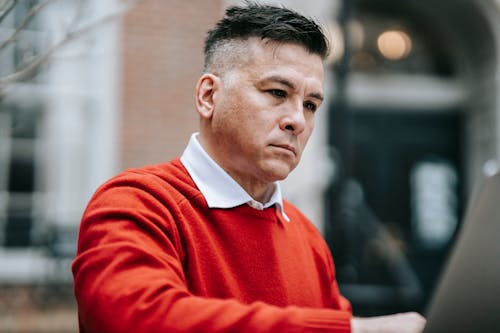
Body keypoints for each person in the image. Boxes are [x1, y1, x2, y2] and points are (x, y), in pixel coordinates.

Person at [72, 3, 426, 332]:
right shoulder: (138, 204)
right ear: (209, 96)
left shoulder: (308, 238)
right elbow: (134, 320)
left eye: (311, 104)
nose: (297, 121)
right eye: (276, 92)